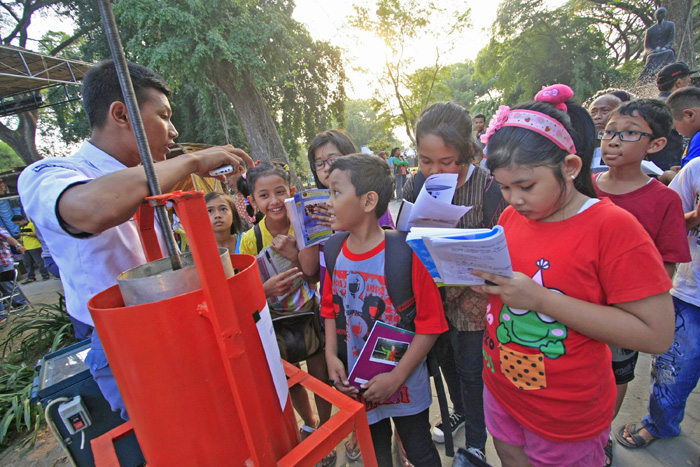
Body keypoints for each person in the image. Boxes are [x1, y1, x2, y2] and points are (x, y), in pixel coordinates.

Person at [18, 59, 252, 420]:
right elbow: (90, 209)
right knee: (176, 435)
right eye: (164, 116)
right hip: (125, 341)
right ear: (121, 115)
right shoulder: (51, 173)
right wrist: (192, 161)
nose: (173, 131)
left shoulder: (152, 178)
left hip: (183, 320)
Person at [473, 93, 675, 466]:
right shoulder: (511, 218)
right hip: (502, 390)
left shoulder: (612, 227)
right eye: (504, 187)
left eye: (525, 185)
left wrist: (541, 301)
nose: (514, 199)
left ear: (569, 166)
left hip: (566, 414)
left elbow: (657, 334)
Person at [322, 154, 448, 466]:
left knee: (419, 451)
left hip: (405, 385)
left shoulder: (406, 253)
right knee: (375, 455)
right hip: (358, 385)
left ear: (368, 201)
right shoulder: (333, 250)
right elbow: (329, 308)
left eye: (336, 192)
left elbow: (431, 325)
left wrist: (396, 377)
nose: (328, 202)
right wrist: (330, 355)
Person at [402, 101, 507, 462]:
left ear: (467, 153)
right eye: (425, 160)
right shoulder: (416, 184)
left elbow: (501, 244)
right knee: (445, 361)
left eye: (446, 162)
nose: (434, 171)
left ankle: (476, 441)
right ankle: (458, 411)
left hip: (474, 300)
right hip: (433, 297)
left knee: (471, 368)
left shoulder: (490, 187)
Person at [593, 98, 691, 465]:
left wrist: (633, 305)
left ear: (656, 145)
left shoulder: (664, 200)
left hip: (626, 312)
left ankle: (601, 432)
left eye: (628, 134)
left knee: (617, 375)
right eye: (608, 133)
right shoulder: (584, 187)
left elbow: (666, 267)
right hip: (577, 305)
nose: (613, 141)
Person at [238, 161, 335, 467]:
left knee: (319, 375)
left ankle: (326, 430)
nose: (274, 201)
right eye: (264, 195)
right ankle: (309, 422)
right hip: (274, 320)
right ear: (252, 202)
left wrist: (294, 253)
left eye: (280, 192)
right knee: (289, 377)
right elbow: (245, 286)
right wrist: (265, 289)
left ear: (292, 193)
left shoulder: (306, 225)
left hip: (309, 311)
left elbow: (317, 276)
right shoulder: (251, 239)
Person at [616, 150, 700, 452]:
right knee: (673, 370)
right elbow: (676, 226)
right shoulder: (695, 170)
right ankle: (659, 423)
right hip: (692, 295)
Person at [666, 87, 700, 168]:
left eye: (675, 126)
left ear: (689, 115)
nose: (678, 132)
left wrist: (671, 177)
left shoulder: (698, 138)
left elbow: (693, 179)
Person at [0, 226, 28, 321]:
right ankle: (7, 307)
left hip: (4, 263)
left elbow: (8, 238)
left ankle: (20, 303)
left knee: (9, 285)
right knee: (4, 288)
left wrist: (17, 245)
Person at [588, 94, 622, 172]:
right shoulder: (583, 142)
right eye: (593, 112)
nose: (597, 116)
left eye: (605, 111)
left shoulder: (629, 141)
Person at [12, 215, 49, 283]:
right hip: (25, 247)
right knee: (27, 263)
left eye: (18, 223)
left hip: (34, 246)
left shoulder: (31, 225)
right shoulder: (21, 227)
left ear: (22, 220)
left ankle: (45, 274)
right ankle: (31, 277)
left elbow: (37, 234)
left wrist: (26, 234)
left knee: (39, 262)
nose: (18, 225)